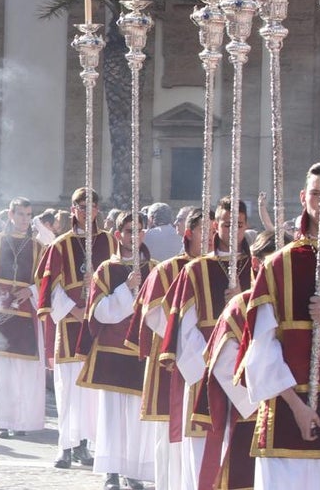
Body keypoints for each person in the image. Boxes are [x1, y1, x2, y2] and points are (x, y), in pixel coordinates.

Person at [238, 162, 320, 489]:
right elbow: (262, 349)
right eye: (317, 193)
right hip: (289, 409)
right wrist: (297, 407)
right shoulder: (280, 264)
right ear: (303, 196)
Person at [160, 197, 251, 490]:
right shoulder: (195, 270)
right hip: (203, 374)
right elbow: (185, 330)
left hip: (244, 373)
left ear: (246, 226)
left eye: (237, 225)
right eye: (225, 224)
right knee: (202, 457)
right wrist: (212, 370)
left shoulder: (260, 268)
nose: (231, 230)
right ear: (215, 225)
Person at [129, 207, 206, 490]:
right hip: (171, 365)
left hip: (209, 364)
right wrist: (186, 345)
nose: (210, 237)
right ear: (188, 233)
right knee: (169, 440)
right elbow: (153, 315)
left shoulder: (225, 271)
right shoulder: (167, 270)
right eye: (203, 231)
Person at [78, 211, 155, 489]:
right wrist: (126, 289)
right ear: (118, 234)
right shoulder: (106, 270)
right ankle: (111, 470)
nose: (134, 236)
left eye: (139, 231)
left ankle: (131, 470)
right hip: (111, 349)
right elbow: (99, 313)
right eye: (128, 231)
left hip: (139, 352)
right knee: (111, 415)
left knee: (136, 416)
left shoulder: (154, 268)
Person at [36, 187, 112, 468]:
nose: (86, 211)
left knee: (92, 393)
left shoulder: (110, 243)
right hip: (69, 325)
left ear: (97, 210)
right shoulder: (60, 245)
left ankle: (85, 445)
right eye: (81, 206)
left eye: (92, 205)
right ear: (73, 210)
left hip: (99, 326)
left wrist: (96, 311)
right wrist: (75, 310)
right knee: (68, 389)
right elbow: (48, 285)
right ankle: (65, 446)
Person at [199, 229, 277, 490]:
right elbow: (223, 364)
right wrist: (262, 397)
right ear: (256, 263)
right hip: (249, 413)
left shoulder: (291, 302)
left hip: (286, 414)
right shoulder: (239, 305)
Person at [0, 196, 46, 439]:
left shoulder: (38, 247)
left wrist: (31, 290)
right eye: (21, 215)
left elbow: (46, 281)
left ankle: (20, 421)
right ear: (11, 215)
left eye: (28, 215)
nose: (25, 220)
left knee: (23, 374)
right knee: (1, 375)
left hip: (26, 316)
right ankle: (2, 422)